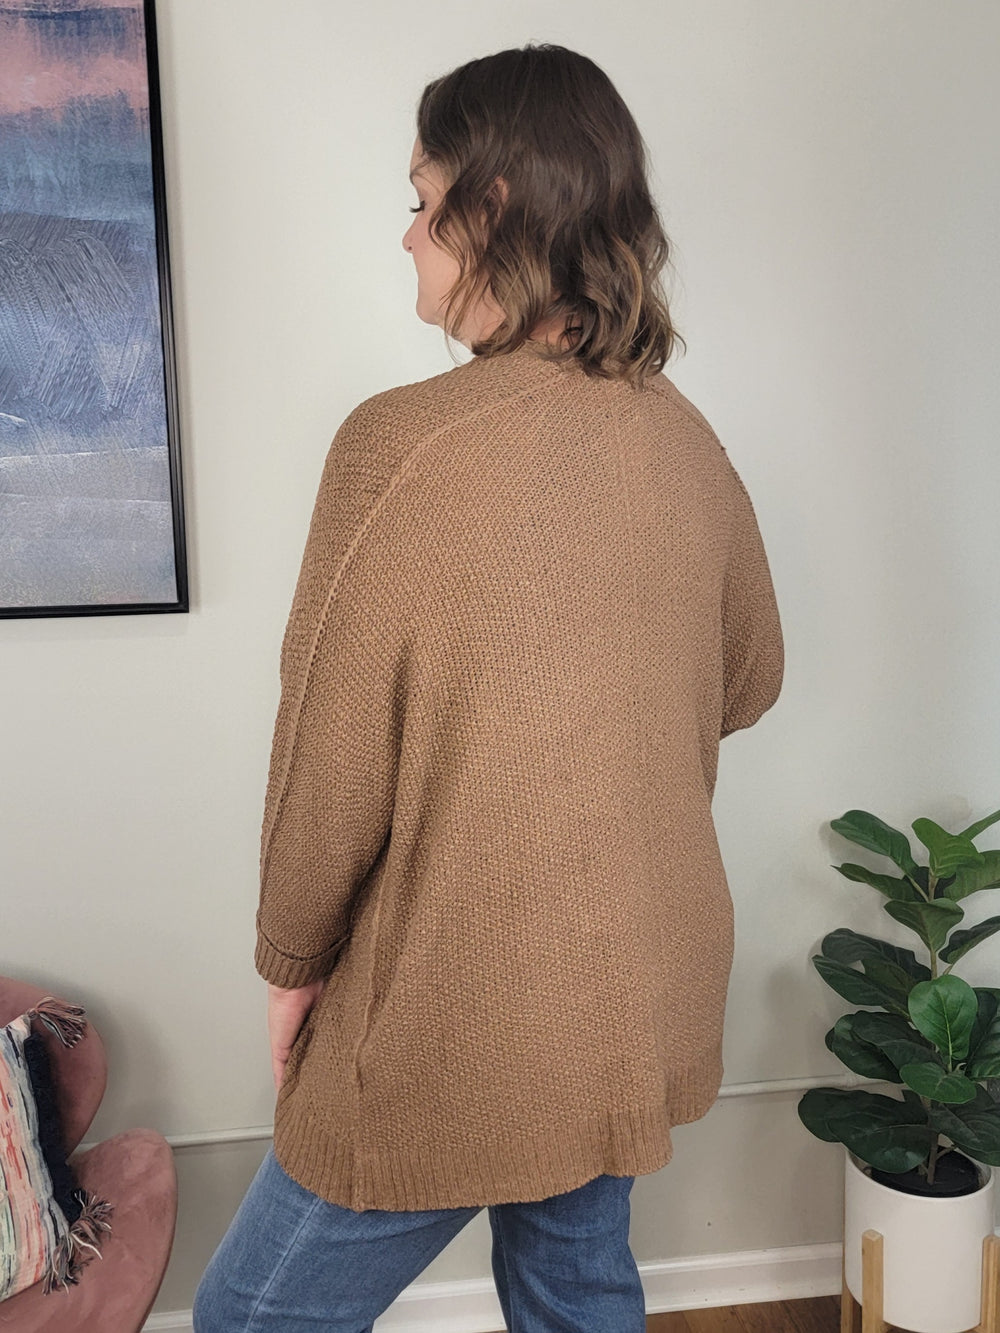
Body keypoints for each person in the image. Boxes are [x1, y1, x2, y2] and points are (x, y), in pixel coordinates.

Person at [193, 41, 784, 1333]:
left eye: (420, 196)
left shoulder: (396, 449)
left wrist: (290, 965)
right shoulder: (688, 443)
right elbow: (751, 676)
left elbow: (325, 767)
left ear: (498, 205)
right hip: (635, 980)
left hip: (470, 998)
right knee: (575, 1286)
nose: (407, 234)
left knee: (247, 1315)